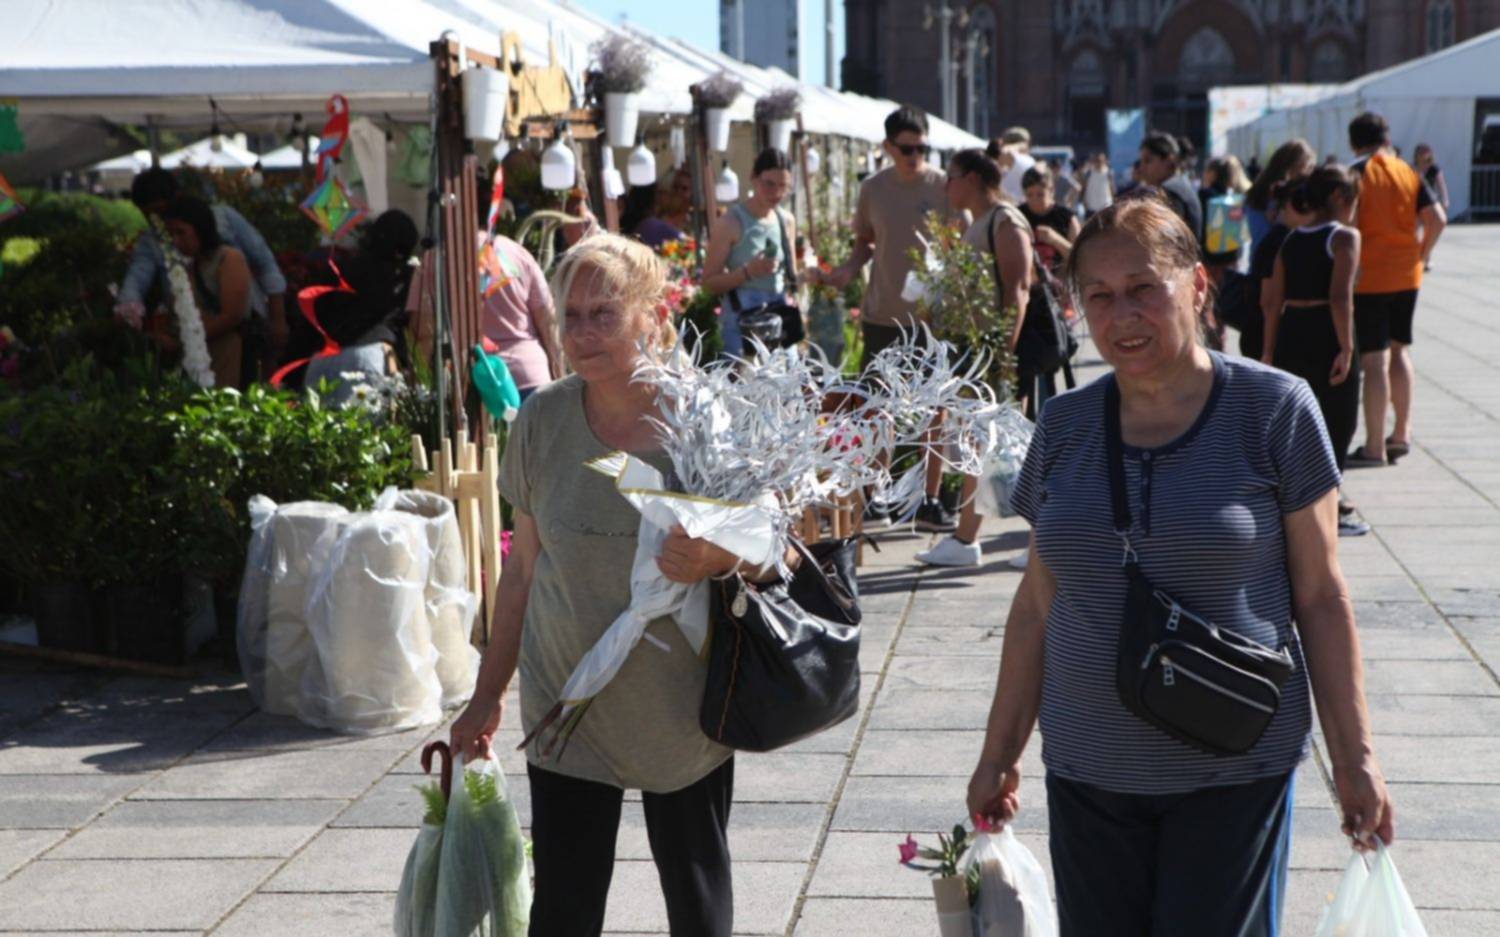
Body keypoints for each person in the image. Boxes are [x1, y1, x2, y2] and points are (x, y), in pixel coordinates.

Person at [966, 196, 1394, 936]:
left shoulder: (1274, 409)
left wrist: (1355, 758)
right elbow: (1037, 605)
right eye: (1099, 295)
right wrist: (999, 754)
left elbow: (1322, 596)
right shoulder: (1064, 425)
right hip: (1087, 772)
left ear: (1197, 286)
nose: (1121, 314)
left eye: (1143, 288)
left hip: (1233, 770)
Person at [449, 234, 794, 937]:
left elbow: (774, 551)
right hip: (567, 700)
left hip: (682, 712)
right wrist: (487, 695)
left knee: (698, 906)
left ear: (652, 315)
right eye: (571, 316)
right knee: (563, 911)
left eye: (603, 314)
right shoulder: (543, 419)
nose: (582, 333)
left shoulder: (704, 420)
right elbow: (522, 571)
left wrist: (714, 556)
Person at [915, 149, 1032, 568]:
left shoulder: (1005, 221)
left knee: (1008, 447)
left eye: (951, 177)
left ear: (971, 178)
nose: (946, 186)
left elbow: (1019, 290)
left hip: (996, 354)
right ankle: (966, 539)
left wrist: (1004, 354)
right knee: (983, 447)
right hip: (977, 352)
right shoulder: (979, 222)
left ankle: (1041, 543)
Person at [1261, 167, 1368, 537]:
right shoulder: (1344, 237)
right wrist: (1347, 347)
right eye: (1355, 201)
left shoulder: (1290, 239)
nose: (1355, 210)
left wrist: (1268, 351)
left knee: (1298, 426)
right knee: (1338, 422)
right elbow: (1340, 297)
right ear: (1339, 197)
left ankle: (1295, 507)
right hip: (1326, 332)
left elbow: (1271, 302)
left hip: (1292, 332)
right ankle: (1330, 510)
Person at [115, 168, 289, 376]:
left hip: (237, 342)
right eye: (148, 215)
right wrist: (128, 308)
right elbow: (136, 279)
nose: (156, 220)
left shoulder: (227, 248)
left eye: (180, 232)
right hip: (199, 348)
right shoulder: (152, 243)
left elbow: (262, 269)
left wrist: (278, 318)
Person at [1346, 111, 1446, 467]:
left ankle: (1374, 446)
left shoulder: (1356, 173)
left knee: (1374, 359)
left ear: (1353, 143)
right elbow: (1437, 218)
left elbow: (1349, 222)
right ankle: (1402, 431)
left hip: (1370, 277)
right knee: (1400, 350)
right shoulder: (1408, 171)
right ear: (1386, 139)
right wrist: (1421, 253)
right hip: (1406, 274)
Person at [821, 106, 948, 367]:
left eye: (921, 148)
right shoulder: (873, 188)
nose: (915, 156)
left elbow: (960, 243)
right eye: (907, 149)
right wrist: (849, 269)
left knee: (929, 392)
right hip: (882, 315)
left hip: (929, 318)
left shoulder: (943, 186)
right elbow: (865, 240)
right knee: (876, 391)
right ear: (888, 147)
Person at [300, 210, 421, 401]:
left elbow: (315, 315)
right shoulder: (403, 277)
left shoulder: (340, 268)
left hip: (322, 360)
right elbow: (414, 328)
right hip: (368, 356)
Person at [701, 149, 801, 358]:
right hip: (741, 324)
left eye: (783, 186)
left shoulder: (786, 221)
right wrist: (747, 272)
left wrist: (810, 276)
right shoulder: (731, 222)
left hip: (778, 319)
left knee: (788, 377)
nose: (776, 192)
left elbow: (792, 276)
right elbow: (708, 283)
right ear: (753, 179)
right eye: (769, 184)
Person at [157, 196, 251, 389]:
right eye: (171, 234)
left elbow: (232, 316)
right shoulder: (189, 265)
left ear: (200, 228)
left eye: (181, 232)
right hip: (196, 359)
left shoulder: (228, 259)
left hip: (227, 354)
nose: (176, 240)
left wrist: (187, 339)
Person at [1240, 172, 1310, 362]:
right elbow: (1269, 303)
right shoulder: (1280, 241)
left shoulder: (1285, 237)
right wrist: (1268, 352)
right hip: (1264, 338)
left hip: (1266, 336)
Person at [1245, 139, 1316, 253]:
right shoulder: (1289, 195)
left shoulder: (1257, 190)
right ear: (1299, 167)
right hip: (1281, 256)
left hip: (1258, 255)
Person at [1137, 132, 1202, 241]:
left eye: (1148, 160)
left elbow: (1167, 241)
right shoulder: (1181, 183)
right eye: (1141, 161)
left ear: (1169, 160)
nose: (1141, 167)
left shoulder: (1171, 191)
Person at [623, 167, 694, 249]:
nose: (678, 192)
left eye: (684, 189)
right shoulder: (652, 223)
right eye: (675, 187)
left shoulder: (694, 223)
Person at [1411, 145, 1449, 270]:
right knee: (1417, 231)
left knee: (1430, 231)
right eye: (1421, 152)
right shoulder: (1412, 168)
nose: (1424, 155)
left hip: (1430, 202)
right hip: (1416, 203)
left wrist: (1445, 200)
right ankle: (1416, 257)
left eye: (1426, 152)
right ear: (1416, 155)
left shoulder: (1434, 169)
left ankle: (1426, 257)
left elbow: (1441, 185)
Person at [989, 127, 1037, 204]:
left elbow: (1004, 152)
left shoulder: (1023, 161)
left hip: (1015, 207)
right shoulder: (1024, 160)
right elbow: (1004, 153)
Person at [1080, 152, 1115, 218]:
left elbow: (1112, 189)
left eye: (1101, 161)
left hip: (1105, 207)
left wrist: (1113, 203)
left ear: (1105, 161)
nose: (1099, 163)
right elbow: (1083, 189)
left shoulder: (1109, 173)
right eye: (1097, 160)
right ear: (1094, 161)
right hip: (1091, 208)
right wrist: (1084, 204)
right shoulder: (1089, 173)